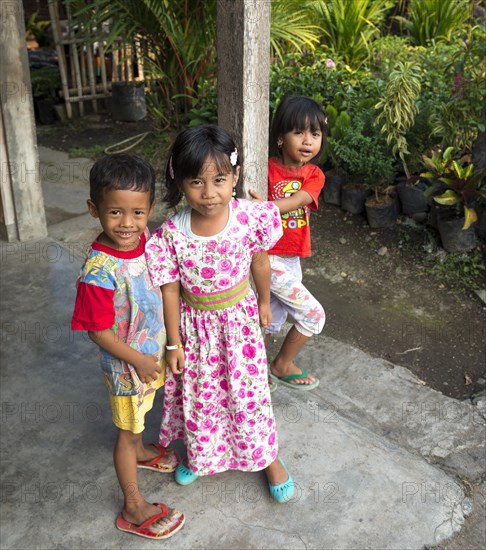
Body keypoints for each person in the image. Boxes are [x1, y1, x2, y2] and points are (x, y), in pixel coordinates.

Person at [145, 124, 295, 503]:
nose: (209, 193)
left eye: (219, 180)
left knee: (249, 395)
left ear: (236, 176)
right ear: (177, 180)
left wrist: (263, 301)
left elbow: (260, 262)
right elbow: (170, 291)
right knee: (201, 397)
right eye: (196, 182)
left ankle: (268, 458)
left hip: (240, 324)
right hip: (194, 330)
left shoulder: (251, 218)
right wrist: (173, 345)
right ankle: (201, 454)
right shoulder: (170, 236)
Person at [71, 153, 185, 539]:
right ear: (93, 209)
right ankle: (133, 506)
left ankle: (139, 450)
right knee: (125, 430)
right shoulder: (98, 272)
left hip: (150, 356)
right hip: (127, 367)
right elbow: (98, 332)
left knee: (139, 418)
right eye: (115, 212)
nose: (127, 223)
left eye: (137, 213)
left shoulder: (146, 237)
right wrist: (138, 359)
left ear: (149, 209)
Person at [250, 95, 327, 391]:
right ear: (280, 138)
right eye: (299, 132)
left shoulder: (314, 175)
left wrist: (267, 207)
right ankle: (280, 365)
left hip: (292, 258)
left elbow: (301, 199)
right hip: (266, 259)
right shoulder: (265, 169)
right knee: (312, 314)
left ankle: (256, 369)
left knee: (274, 317)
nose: (308, 141)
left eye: (315, 134)